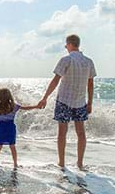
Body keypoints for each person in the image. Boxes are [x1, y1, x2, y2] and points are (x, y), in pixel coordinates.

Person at [37, 34, 97, 169]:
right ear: (78, 45)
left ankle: (62, 163)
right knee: (81, 133)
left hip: (64, 100)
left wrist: (45, 97)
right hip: (81, 101)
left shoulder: (66, 60)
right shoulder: (88, 61)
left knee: (62, 133)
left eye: (66, 45)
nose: (66, 47)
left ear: (70, 44)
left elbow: (55, 80)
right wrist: (90, 103)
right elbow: (91, 84)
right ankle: (80, 163)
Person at [0, 88, 39, 169]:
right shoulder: (13, 106)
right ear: (9, 96)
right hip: (10, 127)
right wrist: (37, 106)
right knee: (12, 146)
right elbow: (26, 108)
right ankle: (15, 164)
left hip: (1, 127)